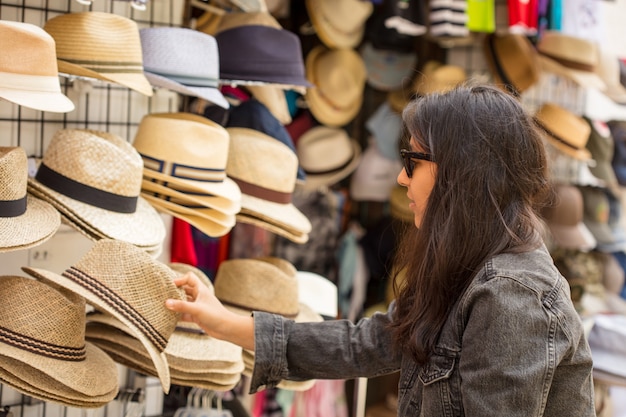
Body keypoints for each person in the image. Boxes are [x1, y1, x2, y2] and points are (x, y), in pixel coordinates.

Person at [166, 83, 595, 416]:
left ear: (461, 174)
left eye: (413, 161)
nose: (402, 179)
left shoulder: (512, 294)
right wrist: (224, 323)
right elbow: (364, 344)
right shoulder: (470, 269)